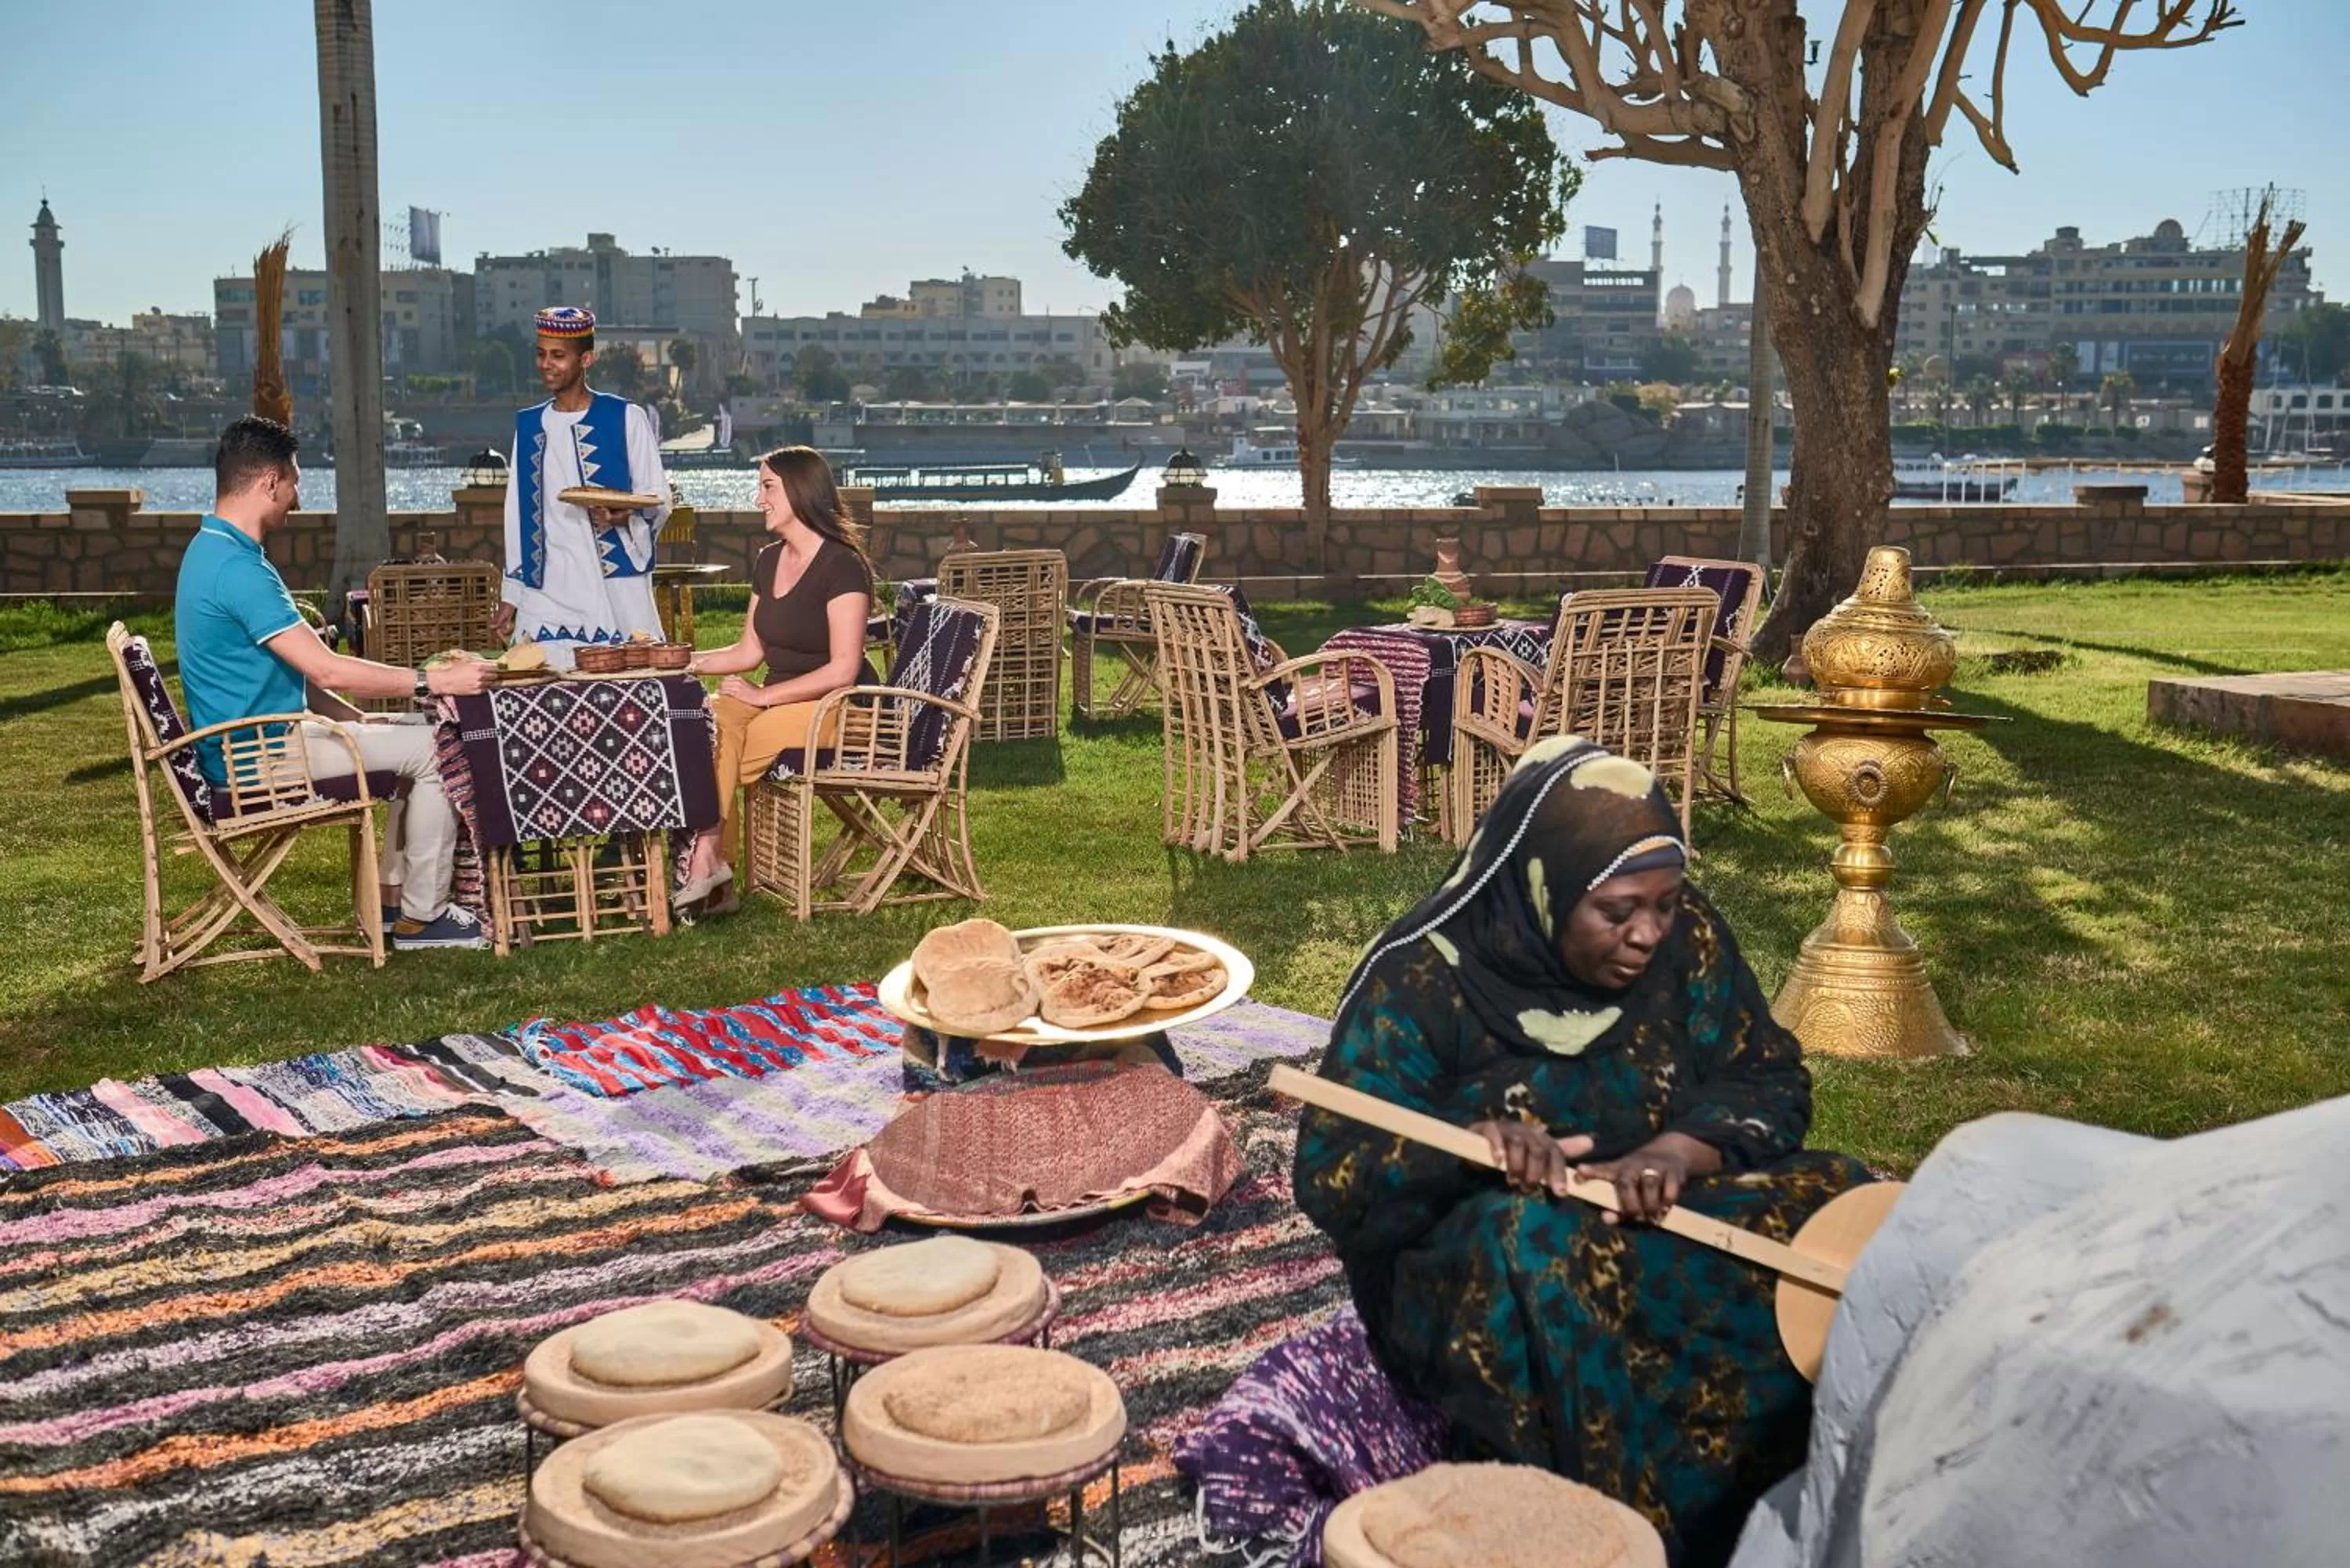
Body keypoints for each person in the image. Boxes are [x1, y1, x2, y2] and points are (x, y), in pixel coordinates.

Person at [1292, 736, 1875, 1568]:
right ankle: (1626, 1534)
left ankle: (1797, 1485)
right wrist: (1470, 1147)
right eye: (1617, 911)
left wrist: (1677, 1152)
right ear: (1544, 885)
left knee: (1839, 1205)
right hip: (1480, 1256)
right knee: (1542, 1248)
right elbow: (1329, 1174)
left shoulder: (1686, 937)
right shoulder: (1425, 975)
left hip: (1664, 1211)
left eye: (1665, 904)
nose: (1648, 933)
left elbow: (1769, 1077)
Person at [175, 416, 497, 949]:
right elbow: (324, 666)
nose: (297, 499)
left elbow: (287, 671)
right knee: (441, 745)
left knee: (416, 734)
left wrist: (357, 718)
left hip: (253, 742)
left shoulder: (211, 552)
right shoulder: (237, 570)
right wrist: (433, 678)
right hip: (262, 757)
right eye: (295, 482)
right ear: (268, 483)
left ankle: (397, 907)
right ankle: (427, 916)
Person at [675, 446, 876, 913]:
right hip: (779, 699)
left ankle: (709, 865)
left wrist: (763, 696)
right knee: (707, 721)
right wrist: (682, 662)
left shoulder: (842, 566)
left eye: (768, 487)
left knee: (723, 746)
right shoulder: (768, 561)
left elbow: (843, 668)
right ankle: (711, 863)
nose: (758, 498)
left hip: (840, 706)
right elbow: (749, 651)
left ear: (801, 492)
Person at [496, 305, 670, 667]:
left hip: (613, 587)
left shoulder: (626, 418)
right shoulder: (529, 426)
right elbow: (517, 515)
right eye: (541, 355)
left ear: (586, 359)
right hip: (546, 587)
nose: (546, 364)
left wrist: (625, 517)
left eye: (558, 356)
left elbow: (657, 497)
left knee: (627, 682)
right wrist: (512, 594)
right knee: (541, 688)